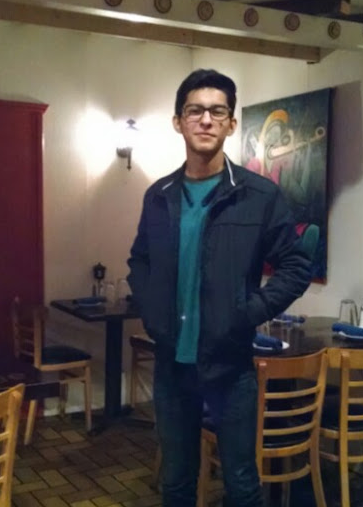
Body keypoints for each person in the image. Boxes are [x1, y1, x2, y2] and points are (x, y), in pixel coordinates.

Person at [127, 69, 312, 507]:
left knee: (242, 485)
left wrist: (248, 311)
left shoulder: (259, 196)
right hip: (172, 365)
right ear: (179, 121)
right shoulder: (159, 196)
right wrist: (153, 314)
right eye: (195, 110)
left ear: (231, 124)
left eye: (217, 111)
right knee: (176, 483)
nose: (206, 119)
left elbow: (296, 264)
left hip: (231, 368)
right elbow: (140, 261)